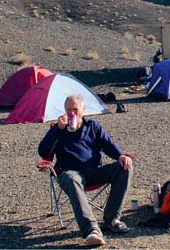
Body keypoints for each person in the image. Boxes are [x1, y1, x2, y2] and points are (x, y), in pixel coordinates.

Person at [38, 94, 133, 246]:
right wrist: (57, 129)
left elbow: (108, 145)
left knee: (124, 167)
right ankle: (92, 231)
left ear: (83, 109)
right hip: (69, 173)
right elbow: (44, 152)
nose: (71, 114)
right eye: (68, 110)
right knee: (72, 179)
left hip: (93, 171)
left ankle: (112, 219)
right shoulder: (58, 128)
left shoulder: (93, 126)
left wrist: (120, 155)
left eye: (75, 109)